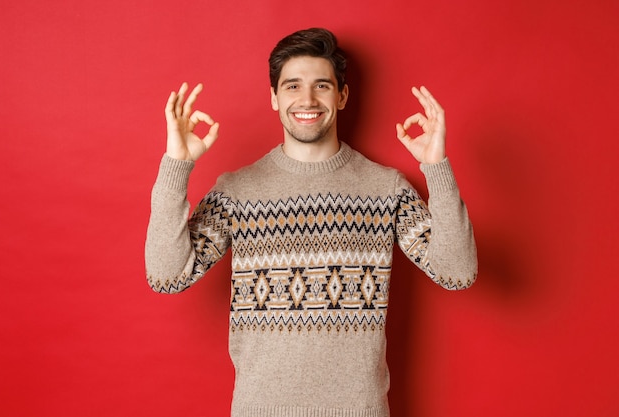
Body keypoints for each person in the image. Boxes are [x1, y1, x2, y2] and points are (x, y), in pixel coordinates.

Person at [145, 27, 477, 417]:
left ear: (342, 95)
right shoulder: (238, 191)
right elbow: (166, 276)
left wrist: (436, 167)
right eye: (292, 86)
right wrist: (176, 166)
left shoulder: (384, 188)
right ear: (273, 97)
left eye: (321, 85)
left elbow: (458, 273)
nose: (306, 99)